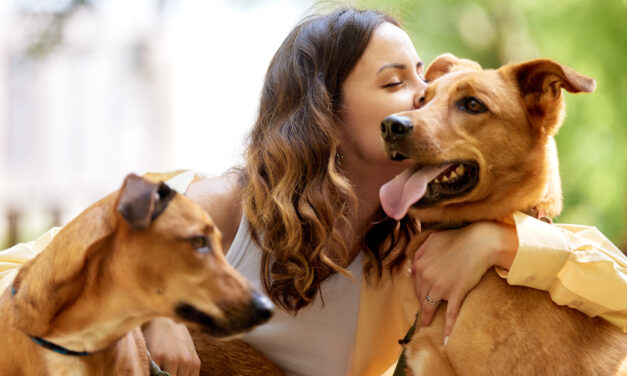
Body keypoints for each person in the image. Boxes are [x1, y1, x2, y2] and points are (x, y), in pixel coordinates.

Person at [1, 7, 626, 376]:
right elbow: (20, 282)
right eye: (396, 83)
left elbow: (614, 297)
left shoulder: (418, 245)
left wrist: (498, 241)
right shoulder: (219, 206)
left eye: (424, 84)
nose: (419, 102)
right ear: (324, 111)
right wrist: (143, 312)